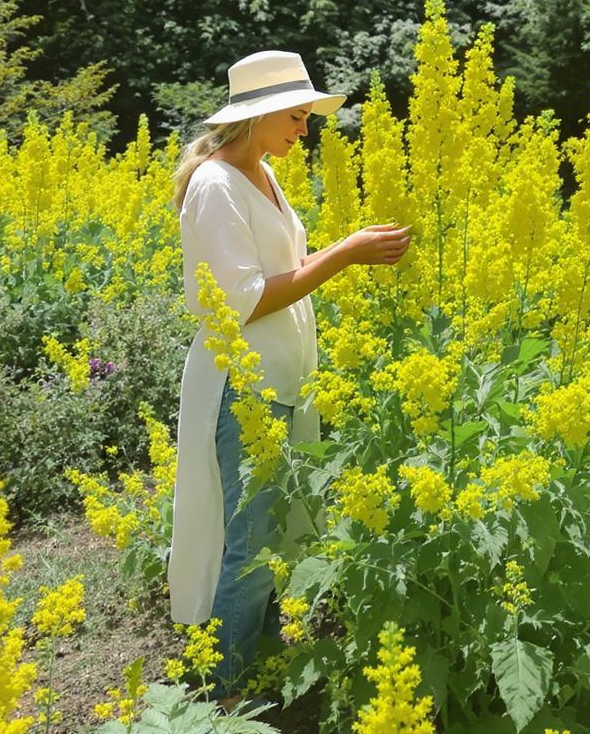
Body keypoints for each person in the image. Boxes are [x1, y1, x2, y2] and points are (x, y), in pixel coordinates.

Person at [167, 50, 411, 705]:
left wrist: (346, 256)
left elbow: (283, 267)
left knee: (269, 532)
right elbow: (242, 299)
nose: (305, 130)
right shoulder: (217, 185)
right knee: (249, 540)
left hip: (282, 378)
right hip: (241, 384)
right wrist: (346, 253)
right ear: (260, 114)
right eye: (298, 117)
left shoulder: (263, 174)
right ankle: (226, 694)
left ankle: (252, 665)